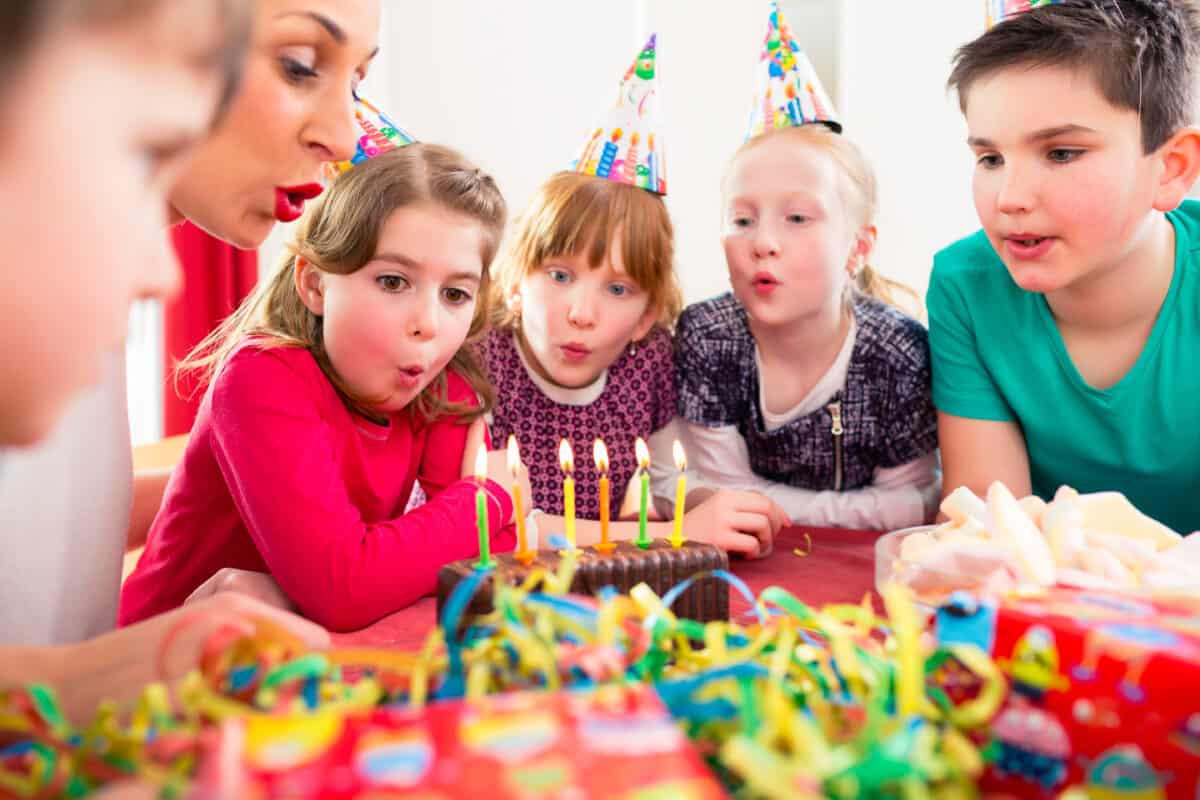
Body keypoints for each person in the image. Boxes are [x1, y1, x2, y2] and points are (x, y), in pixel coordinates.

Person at [0, 0, 383, 645]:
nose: (347, 138)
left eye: (356, 83)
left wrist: (273, 490)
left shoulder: (89, 286)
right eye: (297, 65)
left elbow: (46, 527)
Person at [120, 144, 517, 631]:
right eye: (393, 282)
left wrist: (295, 594)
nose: (428, 323)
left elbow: (492, 554)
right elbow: (345, 589)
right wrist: (494, 496)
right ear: (315, 285)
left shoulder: (438, 381)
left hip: (307, 659)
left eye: (455, 294)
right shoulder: (260, 377)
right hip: (156, 667)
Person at [929, 0, 1200, 533]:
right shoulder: (965, 286)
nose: (1009, 197)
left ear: (1171, 169)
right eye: (990, 159)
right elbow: (989, 529)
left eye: (1061, 153)